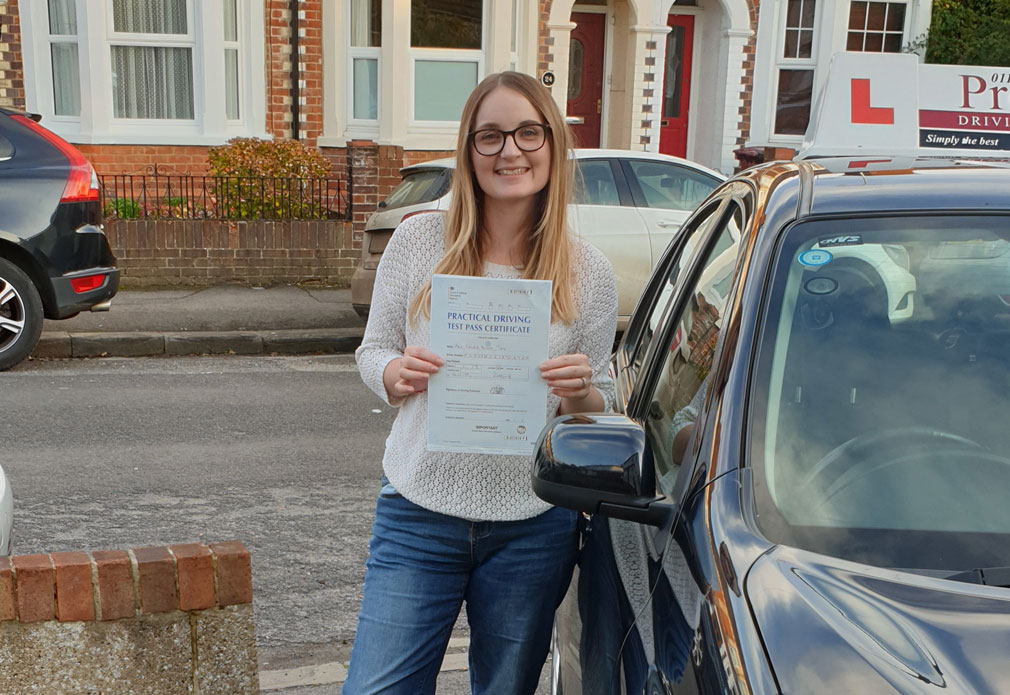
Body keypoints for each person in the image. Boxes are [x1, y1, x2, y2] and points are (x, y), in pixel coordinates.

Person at [345, 71, 618, 695]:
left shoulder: (588, 271)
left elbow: (599, 397)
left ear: (552, 143)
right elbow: (374, 348)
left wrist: (579, 393)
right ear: (468, 150)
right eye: (489, 136)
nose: (510, 151)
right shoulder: (419, 241)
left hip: (533, 522)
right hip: (419, 511)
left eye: (527, 132)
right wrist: (392, 373)